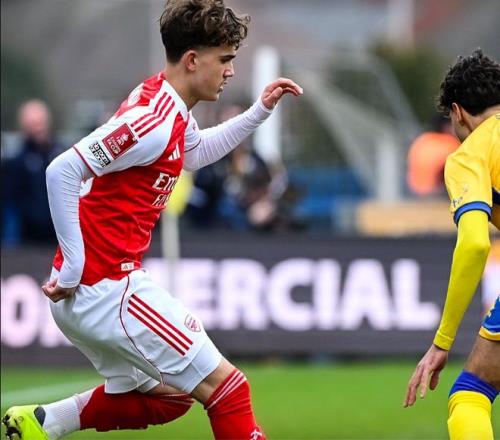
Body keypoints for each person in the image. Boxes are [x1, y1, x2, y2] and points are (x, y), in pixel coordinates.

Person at [2, 1, 302, 439]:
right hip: (105, 288)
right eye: (225, 59)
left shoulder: (168, 104)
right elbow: (62, 171)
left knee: (172, 397)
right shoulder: (152, 121)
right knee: (229, 390)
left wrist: (259, 111)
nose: (231, 71)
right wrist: (73, 265)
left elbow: (194, 154)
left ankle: (44, 424)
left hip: (96, 291)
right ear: (192, 60)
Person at [404, 49, 499, 440]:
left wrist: (442, 342)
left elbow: (475, 244)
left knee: (471, 392)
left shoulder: (469, 154)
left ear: (458, 113)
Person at [1, 99, 63, 245]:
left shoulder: (62, 156)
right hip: (28, 239)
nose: (37, 129)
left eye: (40, 123)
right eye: (32, 124)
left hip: (60, 237)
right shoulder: (16, 162)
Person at [406, 112, 460, 197]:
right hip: (438, 194)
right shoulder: (450, 143)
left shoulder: (422, 140)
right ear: (446, 126)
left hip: (413, 193)